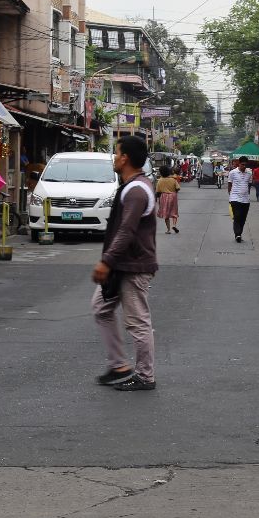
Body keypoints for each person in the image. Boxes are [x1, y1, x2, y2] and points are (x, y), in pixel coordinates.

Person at [92, 135, 160, 392]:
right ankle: (119, 365)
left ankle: (145, 375)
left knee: (138, 322)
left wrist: (106, 261)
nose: (114, 157)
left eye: (116, 152)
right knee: (100, 308)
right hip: (122, 265)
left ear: (125, 158)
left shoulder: (136, 190)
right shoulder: (133, 185)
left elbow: (126, 231)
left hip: (133, 266)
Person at [226, 156, 252, 243]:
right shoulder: (232, 173)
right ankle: (237, 234)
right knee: (237, 216)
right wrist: (230, 195)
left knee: (243, 218)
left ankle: (239, 233)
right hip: (235, 198)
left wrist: (247, 194)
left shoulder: (249, 173)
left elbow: (249, 185)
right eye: (242, 165)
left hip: (245, 199)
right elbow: (229, 184)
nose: (244, 166)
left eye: (245, 165)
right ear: (239, 164)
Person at [155, 166, 181, 234]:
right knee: (174, 212)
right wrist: (174, 192)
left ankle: (168, 230)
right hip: (173, 196)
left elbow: (157, 192)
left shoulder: (160, 180)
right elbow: (178, 188)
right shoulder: (173, 179)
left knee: (166, 214)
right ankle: (174, 225)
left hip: (164, 197)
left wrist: (158, 200)